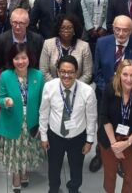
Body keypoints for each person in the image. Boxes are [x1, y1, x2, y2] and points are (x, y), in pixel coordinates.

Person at [91, 15, 132, 172]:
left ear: (131, 31)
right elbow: (97, 73)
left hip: (129, 98)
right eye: (117, 29)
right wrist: (111, 91)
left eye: (125, 30)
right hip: (105, 95)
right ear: (113, 28)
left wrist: (124, 92)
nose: (121, 33)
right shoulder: (102, 43)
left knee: (125, 125)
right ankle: (100, 154)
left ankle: (122, 156)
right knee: (103, 126)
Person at [39, 56, 98, 193]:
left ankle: (74, 188)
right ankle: (54, 188)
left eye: (70, 72)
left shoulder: (87, 91)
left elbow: (91, 117)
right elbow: (43, 112)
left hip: (78, 138)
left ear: (76, 72)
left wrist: (89, 141)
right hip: (55, 136)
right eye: (63, 71)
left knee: (76, 169)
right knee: (53, 168)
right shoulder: (49, 87)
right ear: (58, 71)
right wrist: (43, 136)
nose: (66, 75)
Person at [0, 43, 45, 192]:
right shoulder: (5, 76)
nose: (20, 61)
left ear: (30, 58)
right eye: (16, 58)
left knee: (27, 149)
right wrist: (5, 101)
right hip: (12, 120)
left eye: (24, 58)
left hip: (31, 121)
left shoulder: (38, 76)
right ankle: (16, 175)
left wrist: (42, 122)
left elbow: (42, 101)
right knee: (14, 151)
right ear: (12, 59)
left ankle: (24, 171)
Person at [99, 59, 132, 193]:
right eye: (125, 75)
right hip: (110, 140)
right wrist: (114, 145)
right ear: (118, 75)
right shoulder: (109, 90)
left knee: (129, 178)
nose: (129, 79)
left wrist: (127, 142)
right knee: (110, 176)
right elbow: (104, 117)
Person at [38, 15, 93, 83]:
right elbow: (43, 71)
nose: (66, 30)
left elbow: (87, 74)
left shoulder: (84, 46)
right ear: (58, 29)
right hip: (53, 87)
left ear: (74, 30)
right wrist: (56, 87)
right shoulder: (48, 44)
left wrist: (74, 87)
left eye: (70, 28)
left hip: (78, 87)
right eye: (62, 27)